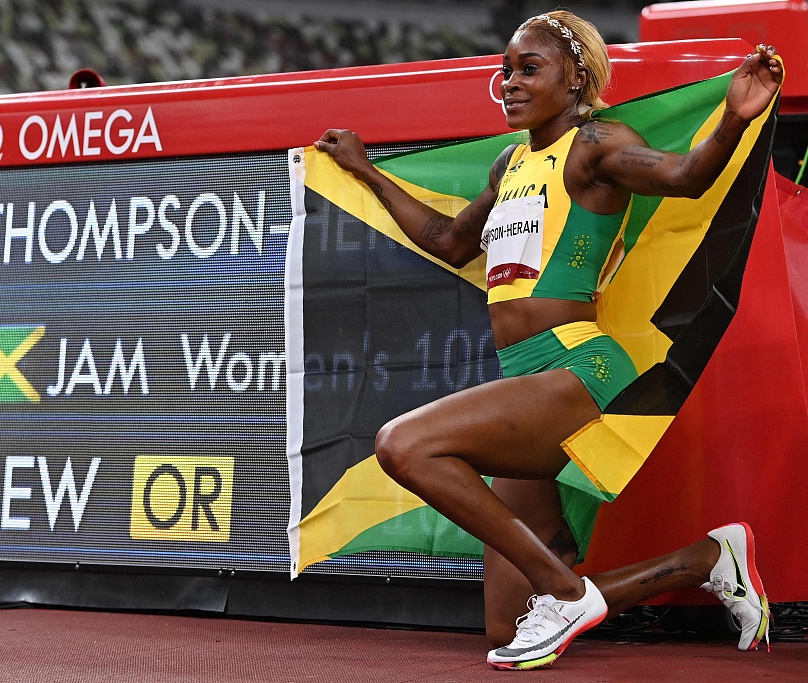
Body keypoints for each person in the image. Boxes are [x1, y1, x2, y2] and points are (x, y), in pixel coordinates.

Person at [314, 10, 781, 671]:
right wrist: (367, 171)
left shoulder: (596, 145)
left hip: (579, 369)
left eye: (528, 68)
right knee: (507, 621)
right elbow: (450, 241)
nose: (509, 82)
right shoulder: (510, 163)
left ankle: (566, 594)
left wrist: (734, 117)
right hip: (524, 378)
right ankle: (705, 559)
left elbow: (684, 176)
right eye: (505, 71)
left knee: (403, 444)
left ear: (576, 79)